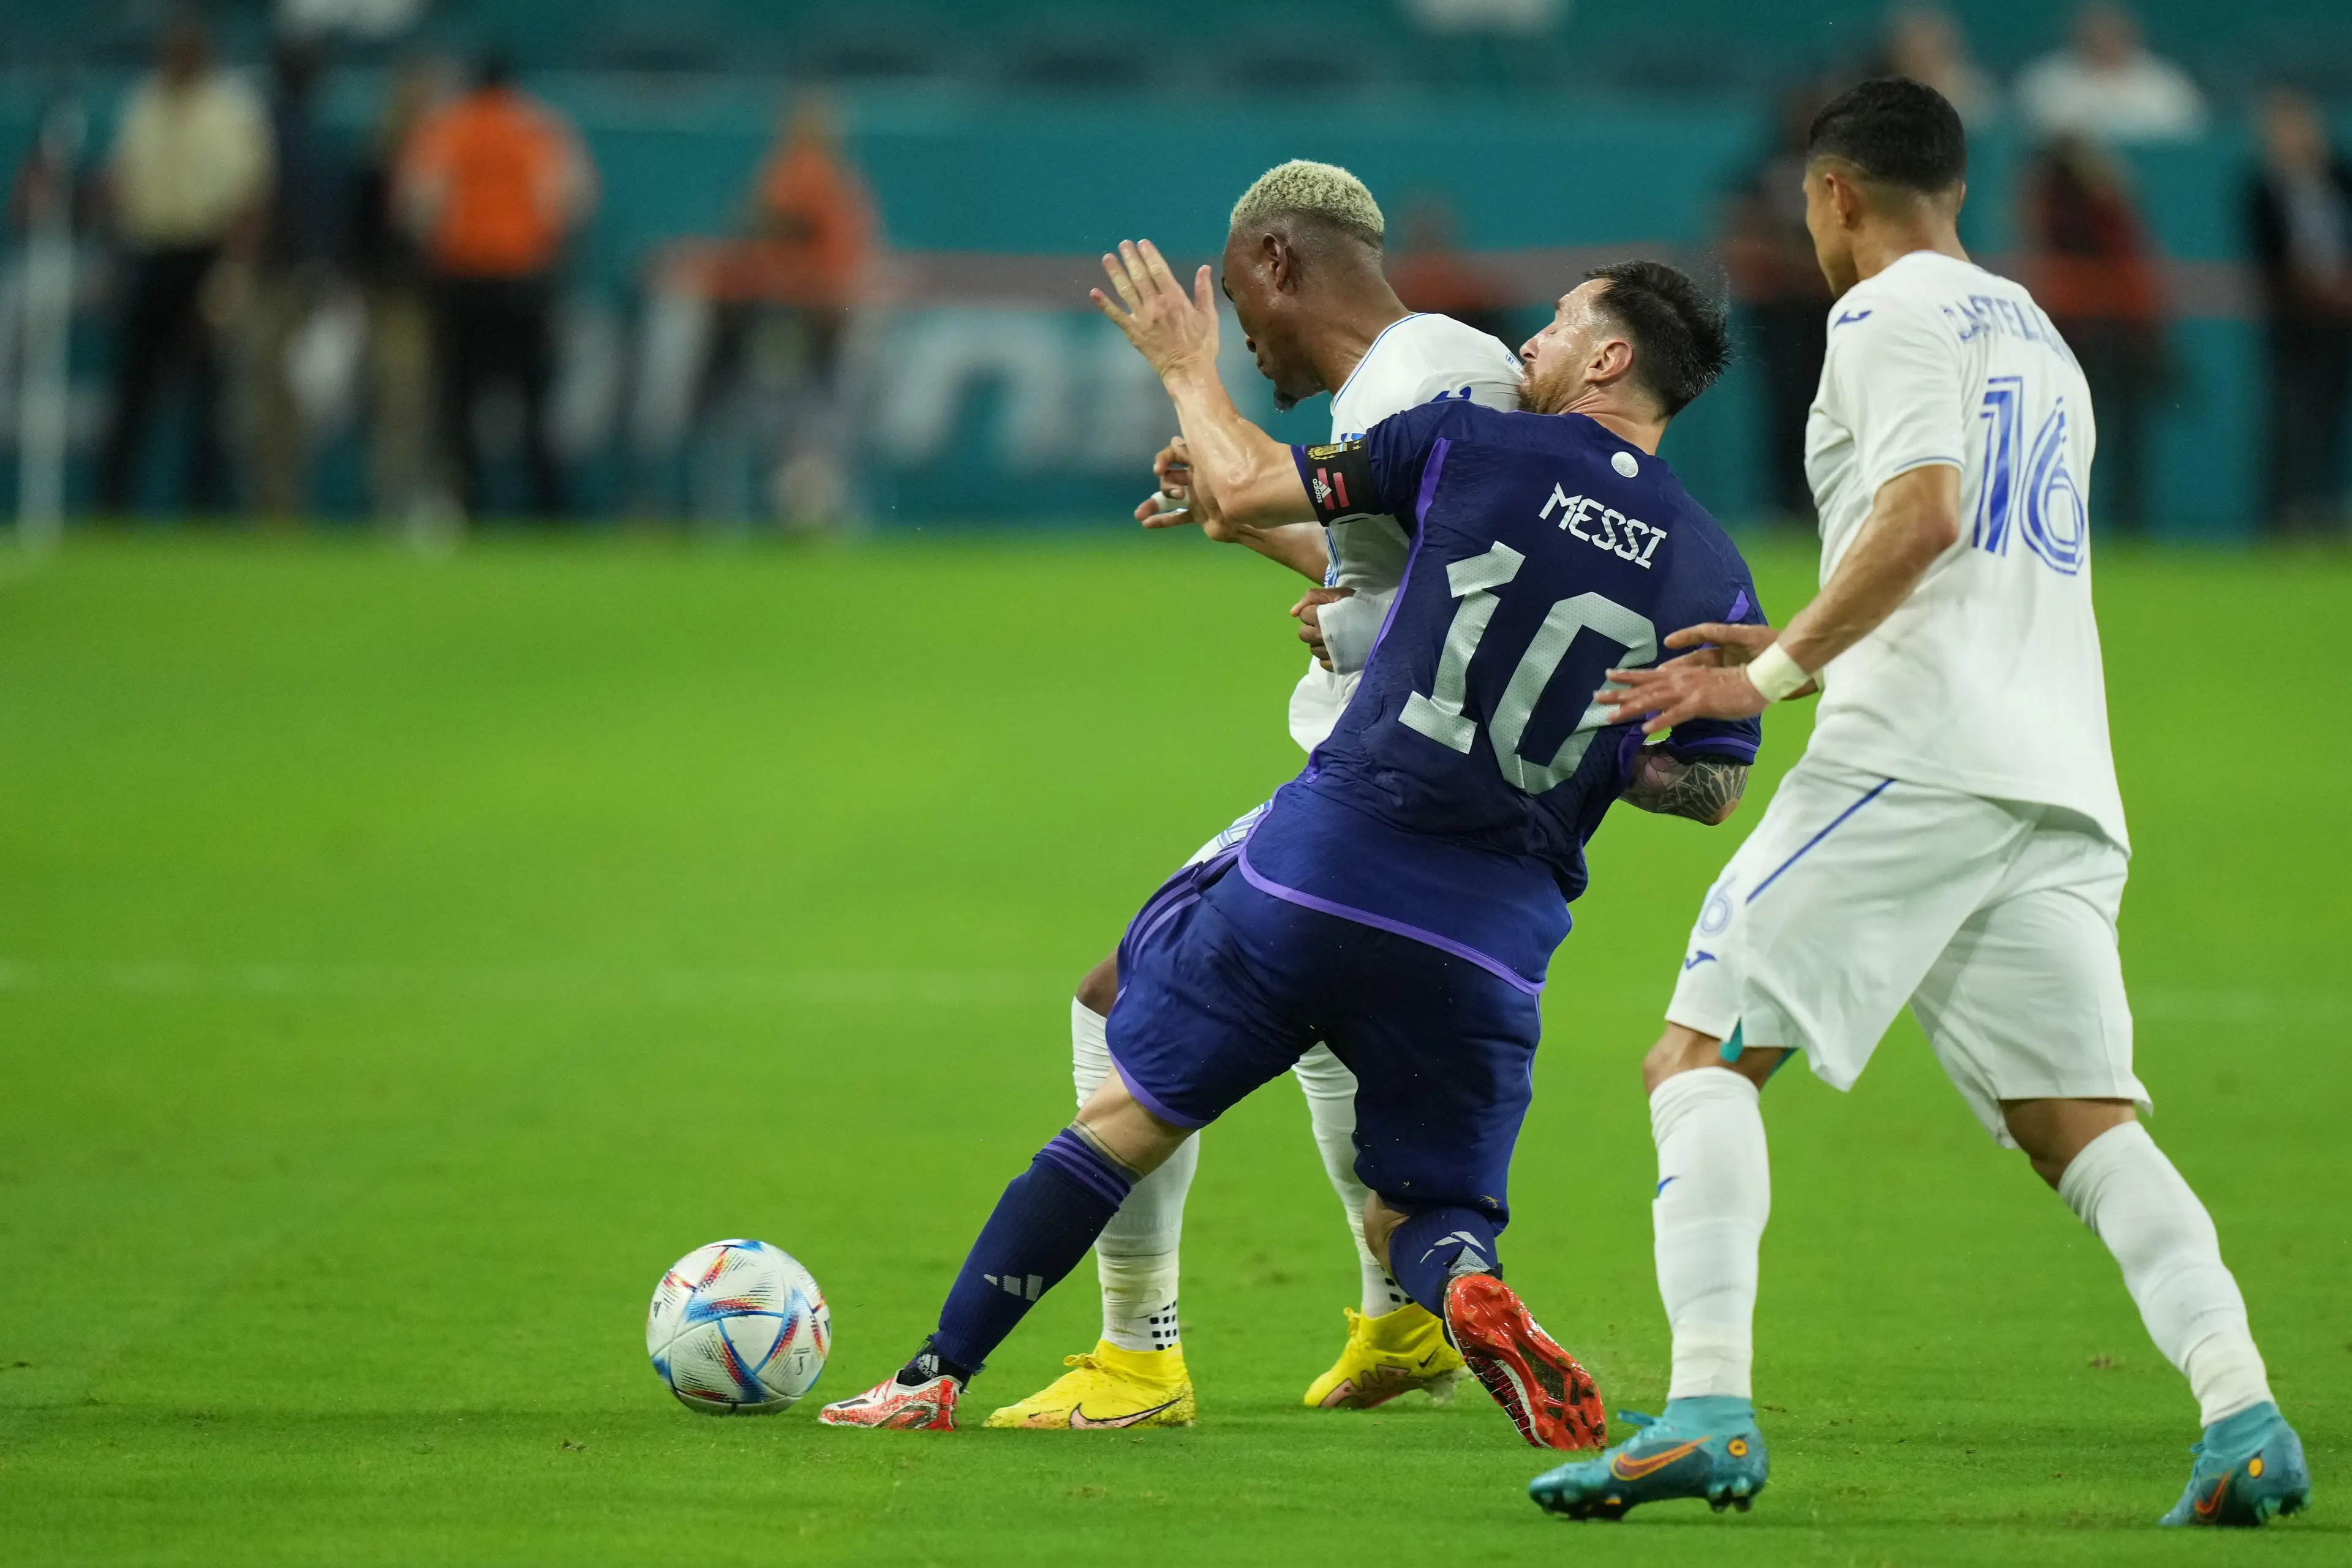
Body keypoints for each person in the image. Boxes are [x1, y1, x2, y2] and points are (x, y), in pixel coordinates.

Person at [815, 244, 1764, 1446]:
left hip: (1333, 858)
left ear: (1608, 358)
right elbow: (1708, 791)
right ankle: (1463, 1288)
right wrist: (1626, 746)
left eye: (1564, 322)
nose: (1534, 337)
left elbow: (1256, 478)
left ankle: (937, 1372)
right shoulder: (1713, 570)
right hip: (1490, 936)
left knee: (1124, 1105)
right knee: (1417, 1214)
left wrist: (1185, 367)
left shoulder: (1471, 442)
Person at [1531, 78, 2309, 1529]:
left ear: (1831, 196)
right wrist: (1801, 657)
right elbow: (1967, 566)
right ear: (1953, 188)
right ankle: (2242, 1411)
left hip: (1918, 762)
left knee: (1693, 1055)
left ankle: (1703, 1405)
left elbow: (1923, 513)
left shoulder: (1878, 319)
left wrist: (1761, 676)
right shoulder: (2037, 336)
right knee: (2075, 1118)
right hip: (2053, 771)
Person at [972, 163, 1528, 1433]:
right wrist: (1281, 555)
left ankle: (1136, 1357)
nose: (1237, 334)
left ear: (1281, 263)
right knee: (1333, 1039)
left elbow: (1277, 496)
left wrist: (1181, 365)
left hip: (1385, 797)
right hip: (1416, 790)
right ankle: (1399, 1317)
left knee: (1118, 1002)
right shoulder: (1438, 367)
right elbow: (1415, 588)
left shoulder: (1407, 379)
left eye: (1234, 300)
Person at [397, 50, 595, 521]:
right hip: (522, 282)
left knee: (457, 403)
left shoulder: (447, 129)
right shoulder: (538, 129)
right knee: (534, 402)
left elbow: (419, 206)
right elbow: (572, 202)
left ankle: (467, 506)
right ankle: (548, 511)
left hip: (461, 281)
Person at [96, 18, 271, 516]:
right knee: (131, 390)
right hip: (151, 253)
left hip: (204, 253)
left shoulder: (231, 110)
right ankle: (112, 507)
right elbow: (122, 183)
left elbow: (251, 204)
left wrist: (228, 282)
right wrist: (113, 256)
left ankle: (203, 509)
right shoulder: (143, 104)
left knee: (208, 395)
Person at [2021, 134, 2165, 533]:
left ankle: (2126, 522)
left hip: (2120, 332)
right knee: (2066, 434)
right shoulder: (2063, 205)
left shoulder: (2110, 207)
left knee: (2123, 439)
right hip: (2078, 333)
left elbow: (2133, 272)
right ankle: (2061, 519)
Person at [1721, 86, 1835, 522]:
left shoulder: (1845, 173)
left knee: (1834, 407)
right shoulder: (1764, 170)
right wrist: (1796, 260)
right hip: (1781, 310)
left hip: (1830, 309)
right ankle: (1786, 504)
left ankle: (1829, 500)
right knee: (1786, 410)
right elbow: (1736, 226)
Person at [2247, 88, 2352, 534]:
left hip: (2344, 321)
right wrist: (2313, 290)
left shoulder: (2340, 176)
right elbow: (2268, 258)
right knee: (2293, 420)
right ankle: (2287, 515)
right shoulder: (2262, 189)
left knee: (2333, 423)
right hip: (2295, 325)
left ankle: (2327, 511)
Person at [243, 39, 338, 521]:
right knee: (267, 400)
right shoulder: (266, 128)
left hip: (299, 280)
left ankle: (284, 505)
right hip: (270, 280)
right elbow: (253, 207)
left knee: (292, 403)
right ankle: (273, 508)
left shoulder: (301, 126)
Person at [346, 59, 441, 526]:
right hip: (396, 303)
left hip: (443, 304)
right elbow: (364, 241)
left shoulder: (443, 160)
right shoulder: (379, 166)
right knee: (399, 404)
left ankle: (434, 501)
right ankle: (392, 501)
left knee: (434, 406)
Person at [2016, 2, 2205, 146]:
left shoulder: (2166, 82)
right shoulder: (2045, 80)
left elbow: (2190, 137)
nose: (2104, 39)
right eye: (2096, 31)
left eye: (2112, 31)